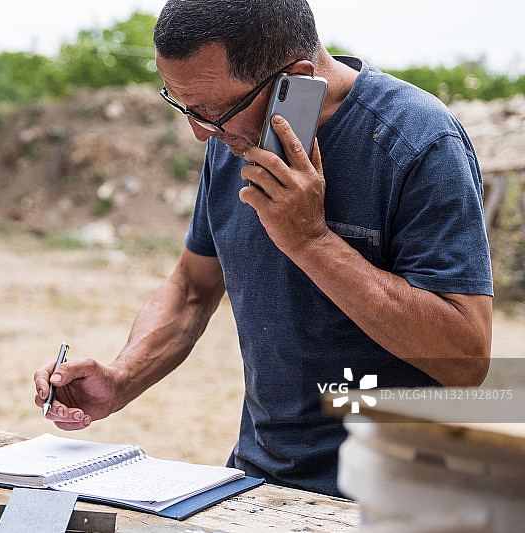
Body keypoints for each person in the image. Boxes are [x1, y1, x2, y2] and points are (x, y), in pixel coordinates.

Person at [34, 0, 493, 496]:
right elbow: (192, 287)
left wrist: (312, 242)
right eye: (182, 105)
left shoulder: (419, 142)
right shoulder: (234, 134)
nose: (200, 131)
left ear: (295, 79)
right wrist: (122, 377)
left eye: (212, 111)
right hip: (260, 479)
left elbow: (465, 359)